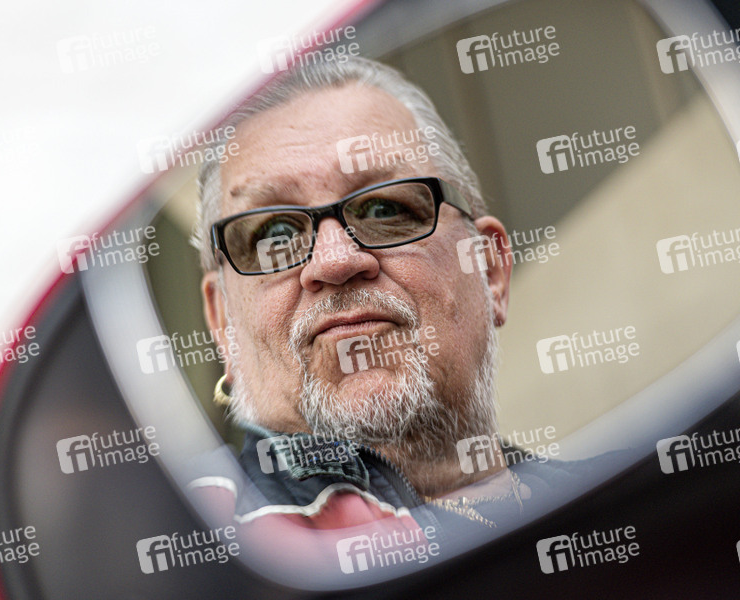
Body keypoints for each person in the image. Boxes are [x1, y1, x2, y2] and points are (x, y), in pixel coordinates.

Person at [184, 56, 600, 564]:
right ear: (223, 324)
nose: (335, 261)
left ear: (490, 271)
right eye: (274, 235)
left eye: (385, 209)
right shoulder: (204, 545)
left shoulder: (636, 505)